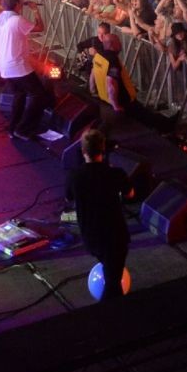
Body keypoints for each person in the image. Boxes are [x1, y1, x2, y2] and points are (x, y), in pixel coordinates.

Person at [65, 129, 132, 301]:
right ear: (103, 149)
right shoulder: (115, 173)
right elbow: (130, 193)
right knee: (113, 283)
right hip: (114, 235)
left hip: (90, 235)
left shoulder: (74, 176)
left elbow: (68, 197)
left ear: (83, 151)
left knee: (109, 273)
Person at [0, 0, 48, 139]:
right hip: (17, 66)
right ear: (18, 4)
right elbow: (40, 28)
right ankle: (23, 128)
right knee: (38, 94)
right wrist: (35, 10)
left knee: (19, 95)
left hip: (4, 65)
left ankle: (12, 128)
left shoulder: (0, 18)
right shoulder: (17, 20)